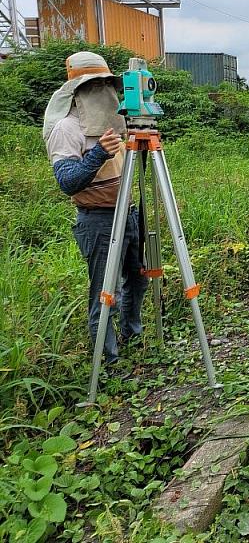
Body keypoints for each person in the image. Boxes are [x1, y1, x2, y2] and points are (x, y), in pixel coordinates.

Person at [44, 51, 148, 364]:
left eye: (105, 82)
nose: (102, 88)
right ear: (76, 89)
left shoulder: (117, 121)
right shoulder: (67, 128)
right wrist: (97, 153)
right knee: (106, 293)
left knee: (138, 277)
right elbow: (67, 182)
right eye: (94, 84)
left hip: (127, 212)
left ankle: (132, 334)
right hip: (99, 220)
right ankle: (109, 362)